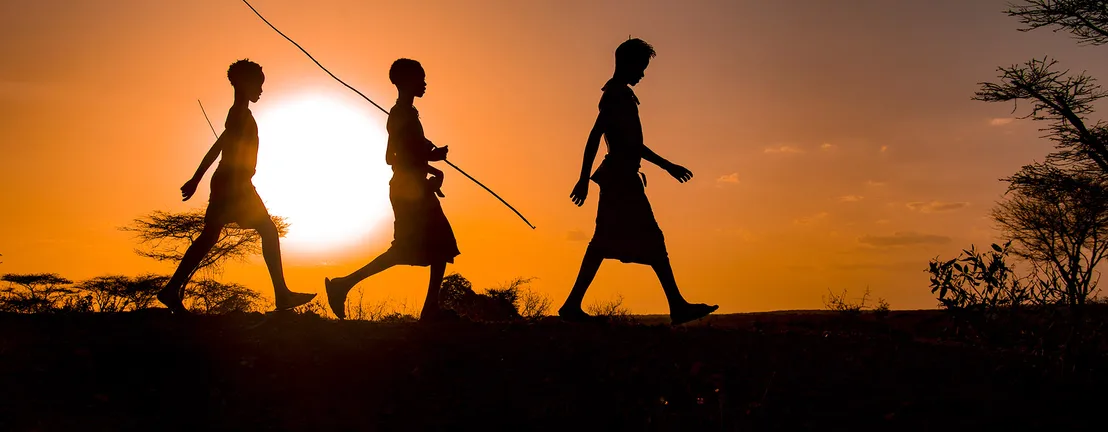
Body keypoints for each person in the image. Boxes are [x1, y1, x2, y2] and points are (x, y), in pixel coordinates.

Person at [560, 38, 718, 325]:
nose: (642, 74)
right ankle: (677, 306)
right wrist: (582, 179)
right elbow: (595, 136)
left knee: (611, 243)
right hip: (620, 180)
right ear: (627, 64)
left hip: (623, 178)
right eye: (641, 67)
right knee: (641, 241)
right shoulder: (616, 96)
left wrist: (667, 165)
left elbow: (632, 143)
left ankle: (573, 304)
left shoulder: (620, 95)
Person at [157, 59, 317, 314]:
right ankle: (282, 294)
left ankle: (171, 289)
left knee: (211, 237)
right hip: (234, 182)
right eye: (258, 85)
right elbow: (221, 148)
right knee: (267, 229)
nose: (261, 91)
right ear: (244, 83)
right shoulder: (239, 113)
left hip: (231, 181)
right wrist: (197, 178)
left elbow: (219, 146)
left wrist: (198, 178)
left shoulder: (238, 112)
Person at [324, 58, 461, 322]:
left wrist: (432, 165)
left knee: (437, 245)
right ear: (407, 81)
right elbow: (395, 157)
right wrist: (431, 157)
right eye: (420, 78)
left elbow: (398, 156)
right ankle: (343, 286)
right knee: (418, 247)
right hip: (410, 190)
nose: (424, 83)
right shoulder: (401, 114)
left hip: (412, 187)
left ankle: (429, 307)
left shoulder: (405, 114)